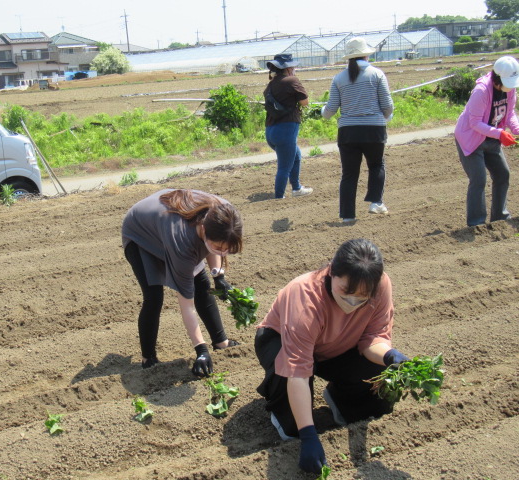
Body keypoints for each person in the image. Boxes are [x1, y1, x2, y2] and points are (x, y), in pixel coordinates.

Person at [255, 238, 412, 474]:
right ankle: (280, 405)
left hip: (339, 346)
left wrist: (390, 357)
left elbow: (373, 338)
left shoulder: (380, 286)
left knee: (375, 390)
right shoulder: (305, 296)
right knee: (293, 428)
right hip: (281, 342)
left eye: (362, 298)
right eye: (346, 293)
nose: (352, 303)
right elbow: (297, 370)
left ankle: (340, 397)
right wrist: (308, 435)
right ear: (331, 272)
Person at [122, 188, 243, 376]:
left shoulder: (225, 216)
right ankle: (148, 358)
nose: (222, 252)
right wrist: (200, 350)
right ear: (203, 230)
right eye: (218, 246)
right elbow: (187, 305)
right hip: (141, 233)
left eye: (227, 249)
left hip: (166, 222)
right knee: (154, 297)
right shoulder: (182, 243)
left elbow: (215, 248)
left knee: (203, 287)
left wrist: (218, 275)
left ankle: (221, 342)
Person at [322, 37, 394, 223]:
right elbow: (387, 106)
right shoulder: (377, 75)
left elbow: (330, 110)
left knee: (349, 174)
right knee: (376, 165)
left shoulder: (338, 78)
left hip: (348, 132)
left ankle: (347, 215)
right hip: (374, 129)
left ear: (349, 57)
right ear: (366, 55)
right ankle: (375, 202)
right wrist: (383, 118)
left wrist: (323, 111)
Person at [454, 55, 518, 227]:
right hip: (471, 139)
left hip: (492, 136)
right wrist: (500, 134)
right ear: (497, 78)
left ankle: (499, 217)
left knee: (502, 174)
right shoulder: (481, 91)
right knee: (479, 179)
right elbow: (474, 123)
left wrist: (517, 130)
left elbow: (510, 113)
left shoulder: (510, 90)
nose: (510, 88)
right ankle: (477, 223)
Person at [263, 53, 313, 199]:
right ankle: (279, 198)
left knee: (296, 156)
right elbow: (305, 102)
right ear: (288, 67)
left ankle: (297, 188)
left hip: (271, 130)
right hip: (286, 130)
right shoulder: (291, 80)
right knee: (284, 167)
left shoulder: (271, 84)